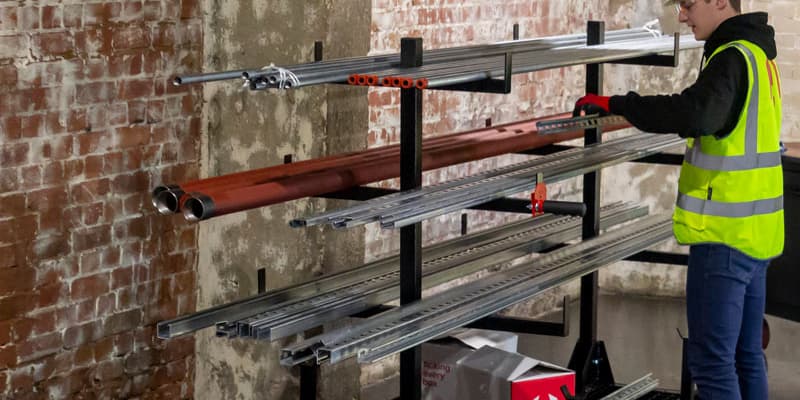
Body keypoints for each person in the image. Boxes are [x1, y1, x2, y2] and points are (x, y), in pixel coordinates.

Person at [574, 1, 783, 399]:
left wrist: (620, 105)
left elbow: (695, 114)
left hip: (723, 237)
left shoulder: (732, 56)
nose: (683, 16)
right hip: (758, 233)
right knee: (746, 356)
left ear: (720, 1)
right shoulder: (759, 55)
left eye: (689, 5)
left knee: (713, 363)